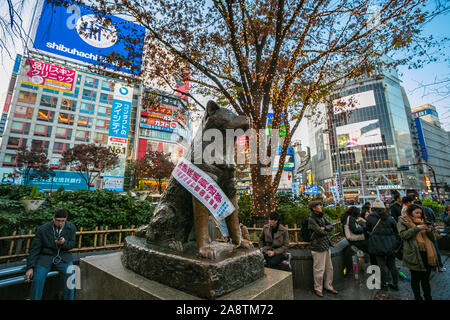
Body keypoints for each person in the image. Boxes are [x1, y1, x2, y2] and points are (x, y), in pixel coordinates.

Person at [25, 209, 77, 300]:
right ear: (53, 218)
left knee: (71, 277)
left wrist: (64, 243)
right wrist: (30, 267)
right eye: (58, 220)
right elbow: (34, 249)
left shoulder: (71, 227)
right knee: (38, 279)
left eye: (62, 221)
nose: (60, 223)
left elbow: (72, 245)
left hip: (63, 257)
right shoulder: (43, 229)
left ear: (66, 219)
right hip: (45, 258)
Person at [398, 204, 438, 300]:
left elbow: (434, 239)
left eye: (420, 213)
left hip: (427, 254)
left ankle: (428, 297)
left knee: (426, 280)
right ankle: (417, 297)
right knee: (416, 279)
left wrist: (429, 231)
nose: (419, 215)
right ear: (410, 213)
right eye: (416, 213)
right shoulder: (403, 221)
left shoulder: (425, 222)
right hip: (414, 254)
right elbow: (403, 235)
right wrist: (417, 228)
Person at [366, 198, 399, 291]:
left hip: (377, 245)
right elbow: (396, 230)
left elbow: (367, 229)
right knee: (392, 265)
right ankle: (395, 284)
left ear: (373, 208)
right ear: (383, 208)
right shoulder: (389, 218)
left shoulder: (370, 217)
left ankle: (384, 284)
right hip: (390, 244)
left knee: (381, 266)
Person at [307, 201, 338, 297]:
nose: (320, 207)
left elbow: (331, 226)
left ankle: (328, 286)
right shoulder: (311, 219)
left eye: (320, 205)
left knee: (329, 268)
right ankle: (318, 288)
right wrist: (326, 230)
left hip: (326, 245)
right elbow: (319, 232)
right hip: (317, 246)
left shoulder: (321, 216)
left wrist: (324, 228)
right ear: (314, 208)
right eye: (318, 206)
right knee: (319, 269)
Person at [415, 200, 445, 272]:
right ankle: (439, 267)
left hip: (422, 234)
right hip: (430, 230)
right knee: (435, 249)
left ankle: (430, 266)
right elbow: (434, 219)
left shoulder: (415, 213)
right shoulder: (428, 209)